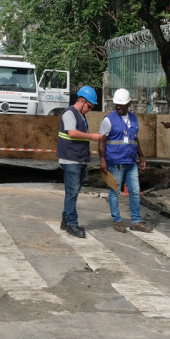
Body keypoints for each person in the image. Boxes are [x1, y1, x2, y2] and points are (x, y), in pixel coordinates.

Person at [98, 88, 152, 233]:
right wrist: (102, 160)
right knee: (114, 192)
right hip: (116, 163)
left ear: (129, 104)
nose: (119, 108)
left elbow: (135, 138)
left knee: (134, 191)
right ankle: (117, 221)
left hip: (131, 162)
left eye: (121, 105)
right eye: (117, 105)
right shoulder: (108, 120)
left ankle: (136, 221)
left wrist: (141, 155)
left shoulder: (133, 118)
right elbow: (101, 142)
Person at [57, 85, 106, 238]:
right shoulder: (70, 113)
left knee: (72, 192)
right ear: (82, 101)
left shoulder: (80, 115)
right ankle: (71, 224)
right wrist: (92, 136)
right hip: (71, 159)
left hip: (78, 159)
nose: (90, 109)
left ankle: (66, 221)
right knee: (72, 193)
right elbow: (72, 133)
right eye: (90, 106)